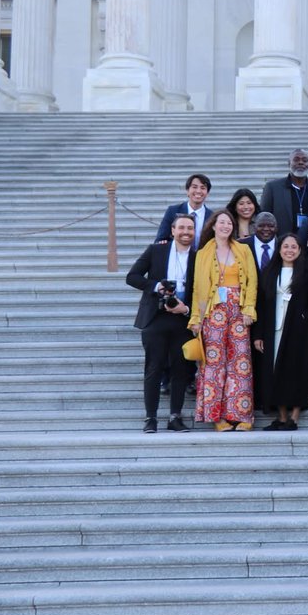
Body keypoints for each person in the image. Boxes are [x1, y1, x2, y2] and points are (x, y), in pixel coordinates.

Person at [126, 213, 197, 433]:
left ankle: (175, 416)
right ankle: (151, 418)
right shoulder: (156, 250)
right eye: (182, 228)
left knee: (180, 370)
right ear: (173, 230)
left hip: (182, 318)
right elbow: (133, 276)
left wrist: (185, 308)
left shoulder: (199, 257)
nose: (186, 232)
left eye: (190, 229)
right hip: (155, 317)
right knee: (153, 368)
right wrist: (157, 287)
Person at [189, 209, 258, 431]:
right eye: (222, 222)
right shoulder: (203, 253)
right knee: (214, 364)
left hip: (238, 310)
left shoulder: (244, 249)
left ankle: (242, 415)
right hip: (213, 311)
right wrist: (196, 318)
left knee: (241, 362)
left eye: (229, 223)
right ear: (213, 226)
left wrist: (249, 309)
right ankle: (218, 418)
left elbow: (252, 282)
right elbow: (198, 288)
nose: (226, 226)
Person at [253, 233, 308, 431]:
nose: (289, 250)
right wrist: (258, 334)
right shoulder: (270, 272)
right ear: (279, 249)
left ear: (299, 250)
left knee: (296, 370)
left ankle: (295, 416)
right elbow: (261, 304)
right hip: (273, 329)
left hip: (297, 330)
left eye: (294, 247)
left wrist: (303, 319)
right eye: (286, 246)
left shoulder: (307, 272)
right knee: (275, 370)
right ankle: (281, 416)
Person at [260, 149, 308, 236]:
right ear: (289, 163)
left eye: (305, 160)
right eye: (296, 159)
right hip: (282, 243)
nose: (301, 162)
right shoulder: (272, 187)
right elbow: (264, 215)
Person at [156, 173, 211, 242]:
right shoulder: (173, 211)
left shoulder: (212, 217)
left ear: (207, 193)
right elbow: (160, 240)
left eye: (203, 188)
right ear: (187, 191)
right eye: (194, 187)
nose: (198, 191)